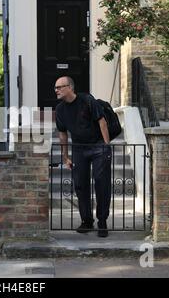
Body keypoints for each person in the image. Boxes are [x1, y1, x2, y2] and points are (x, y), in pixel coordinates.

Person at [54, 77, 112, 238]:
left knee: (102, 184)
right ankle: (87, 220)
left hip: (98, 147)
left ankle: (102, 221)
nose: (56, 90)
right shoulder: (60, 109)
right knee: (80, 185)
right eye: (55, 88)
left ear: (70, 87)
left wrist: (106, 146)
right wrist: (65, 156)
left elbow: (102, 122)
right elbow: (62, 134)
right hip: (79, 149)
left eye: (59, 87)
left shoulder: (87, 100)